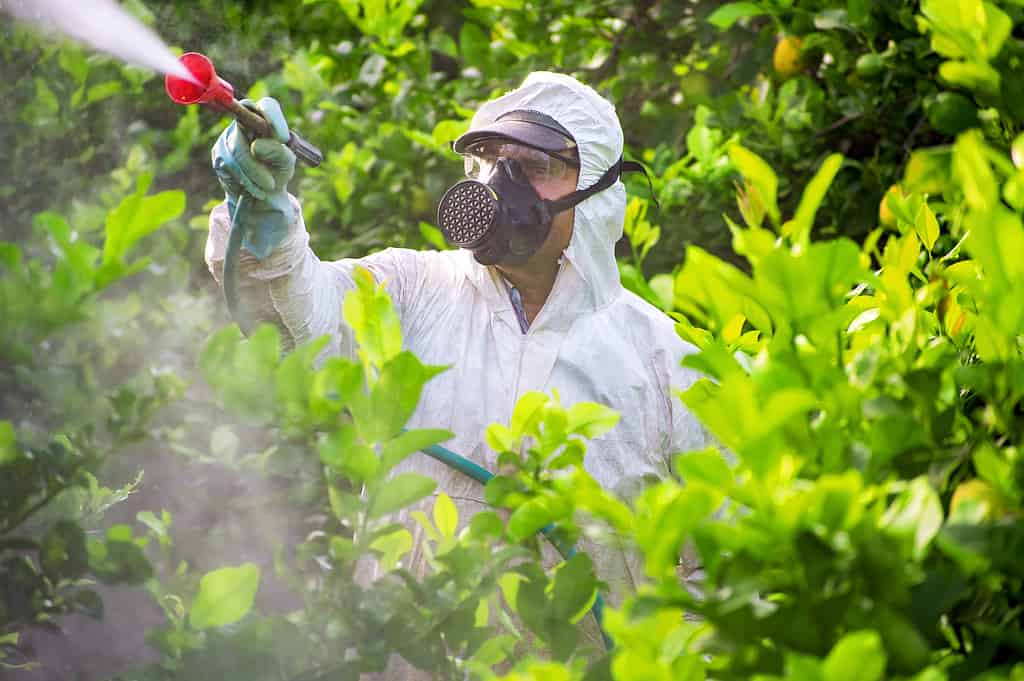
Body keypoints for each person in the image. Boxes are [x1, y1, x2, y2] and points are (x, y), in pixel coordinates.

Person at [205, 71, 711, 676]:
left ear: (600, 192)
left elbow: (719, 579)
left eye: (535, 166)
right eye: (492, 160)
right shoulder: (412, 290)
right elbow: (298, 317)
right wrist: (265, 215)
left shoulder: (666, 363)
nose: (501, 186)